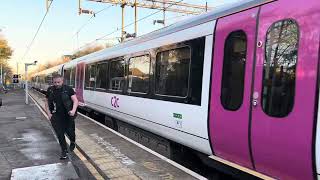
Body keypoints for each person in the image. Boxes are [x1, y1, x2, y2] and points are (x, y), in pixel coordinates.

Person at [45, 74, 79, 159]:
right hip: (56, 116)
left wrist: (73, 110)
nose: (56, 84)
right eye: (55, 82)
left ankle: (73, 141)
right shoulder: (50, 90)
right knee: (60, 134)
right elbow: (46, 102)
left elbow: (75, 100)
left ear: (62, 81)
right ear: (53, 82)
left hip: (68, 115)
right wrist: (49, 114)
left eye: (58, 82)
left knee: (70, 132)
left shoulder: (68, 89)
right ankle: (64, 151)